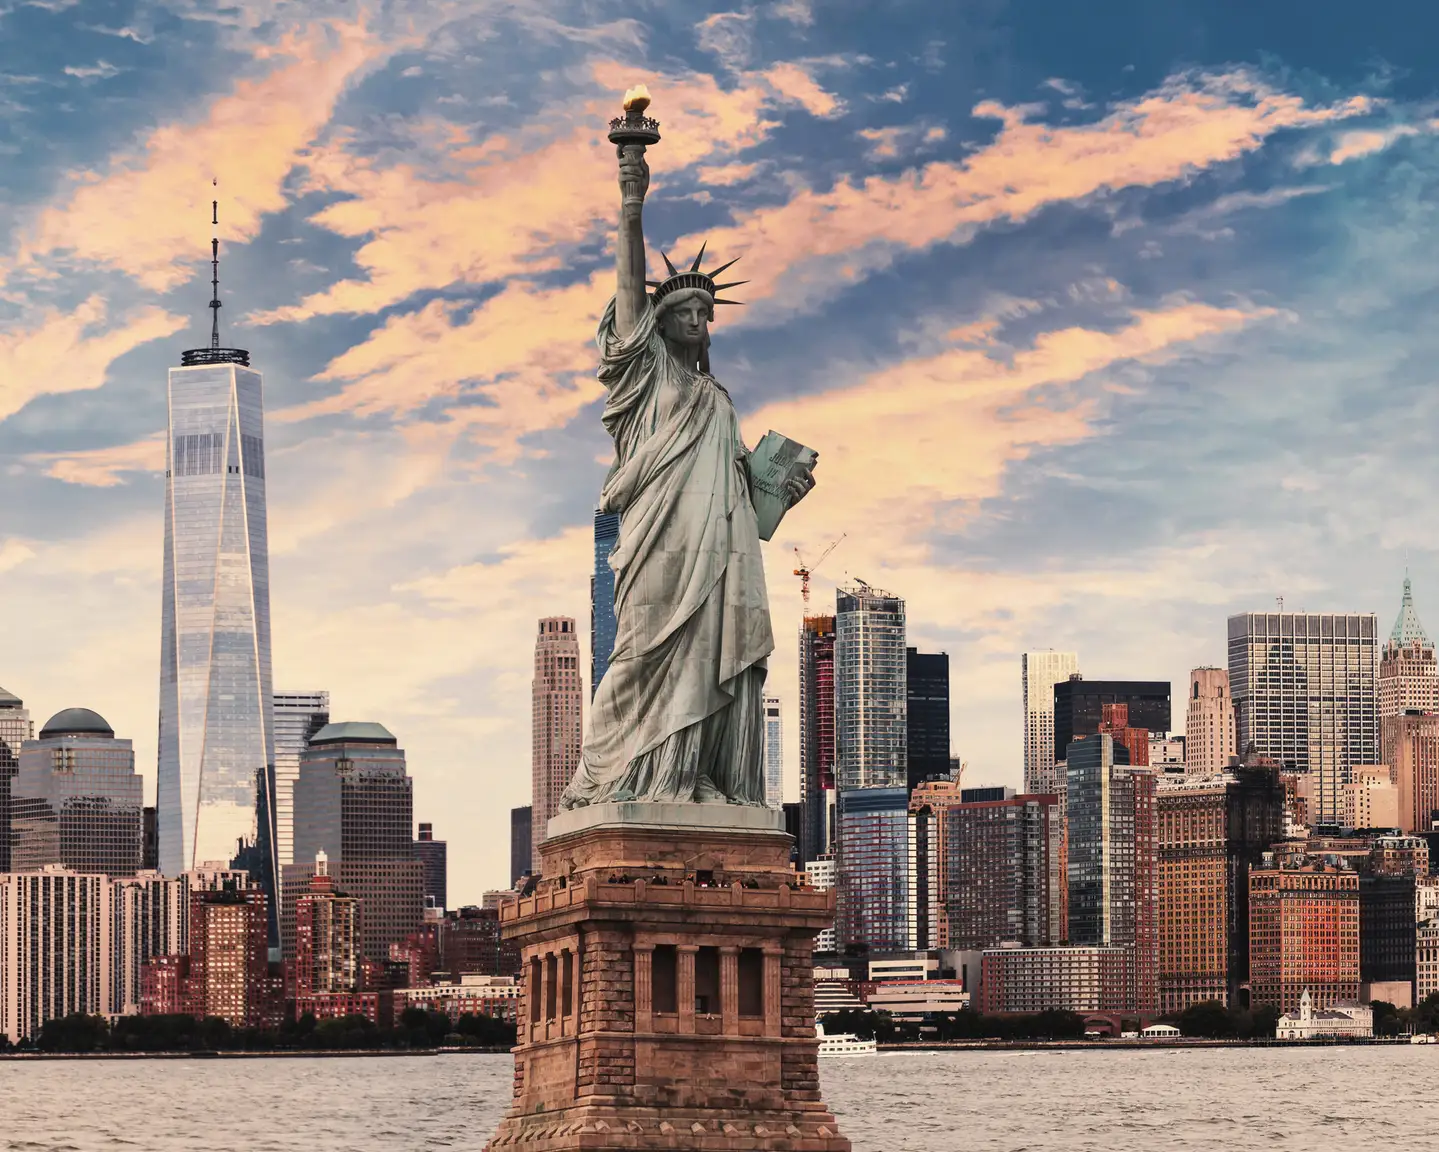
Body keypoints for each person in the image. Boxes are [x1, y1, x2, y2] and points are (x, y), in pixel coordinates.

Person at [559, 141, 815, 809]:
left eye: (706, 314)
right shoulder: (643, 380)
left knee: (707, 652)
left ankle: (691, 773)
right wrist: (630, 200)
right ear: (657, 324)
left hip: (720, 548)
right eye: (684, 313)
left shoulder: (716, 398)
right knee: (644, 652)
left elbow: (740, 497)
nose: (699, 321)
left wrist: (777, 488)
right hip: (659, 540)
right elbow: (625, 290)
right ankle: (622, 773)